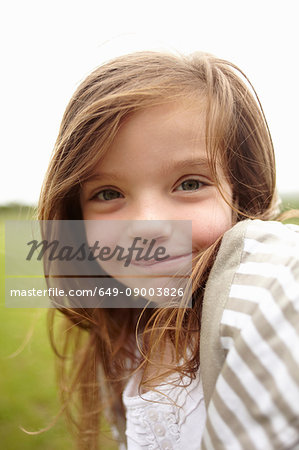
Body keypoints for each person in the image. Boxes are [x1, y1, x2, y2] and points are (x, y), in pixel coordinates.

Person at [38, 51, 299, 449]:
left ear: (241, 195)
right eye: (108, 193)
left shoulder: (260, 286)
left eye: (190, 184)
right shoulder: (129, 340)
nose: (147, 226)